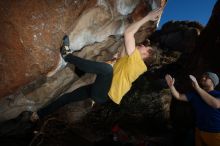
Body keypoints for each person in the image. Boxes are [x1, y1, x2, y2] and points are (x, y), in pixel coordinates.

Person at [30, 7, 163, 121]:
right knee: (67, 97)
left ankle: (67, 56)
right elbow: (125, 44)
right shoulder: (132, 62)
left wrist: (148, 17)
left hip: (104, 95)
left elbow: (128, 33)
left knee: (106, 70)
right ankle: (38, 115)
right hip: (99, 91)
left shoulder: (139, 64)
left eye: (145, 48)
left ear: (146, 55)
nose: (142, 45)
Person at [165, 72, 220, 146]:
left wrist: (198, 88)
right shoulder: (195, 94)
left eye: (207, 77)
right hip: (199, 130)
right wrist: (171, 86)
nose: (203, 78)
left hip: (214, 132)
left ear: (213, 81)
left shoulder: (218, 94)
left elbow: (216, 104)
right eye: (203, 76)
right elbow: (178, 96)